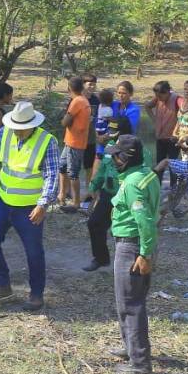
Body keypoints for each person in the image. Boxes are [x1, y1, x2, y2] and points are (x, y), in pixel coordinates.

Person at [0, 100, 60, 311]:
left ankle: (36, 294)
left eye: (21, 129)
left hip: (29, 208)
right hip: (2, 199)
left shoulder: (47, 142)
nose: (17, 131)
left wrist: (43, 205)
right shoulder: (5, 133)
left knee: (34, 252)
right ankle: (2, 284)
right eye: (15, 127)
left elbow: (52, 176)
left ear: (32, 125)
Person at [105, 134, 161, 374]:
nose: (113, 159)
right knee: (129, 300)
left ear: (126, 158)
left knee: (130, 304)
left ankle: (139, 363)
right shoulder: (146, 174)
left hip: (131, 246)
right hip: (137, 245)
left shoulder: (132, 185)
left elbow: (145, 221)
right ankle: (131, 347)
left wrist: (144, 254)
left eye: (116, 155)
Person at [82, 113, 129, 272]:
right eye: (109, 129)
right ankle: (101, 259)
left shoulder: (133, 147)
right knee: (94, 223)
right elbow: (102, 169)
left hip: (125, 197)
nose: (109, 132)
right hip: (108, 194)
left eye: (113, 130)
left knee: (125, 231)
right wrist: (93, 188)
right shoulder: (109, 146)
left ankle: (134, 262)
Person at [57, 76, 91, 213]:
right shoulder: (84, 100)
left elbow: (65, 121)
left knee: (73, 172)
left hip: (75, 142)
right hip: (71, 141)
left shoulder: (77, 101)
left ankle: (76, 202)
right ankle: (62, 194)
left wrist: (64, 122)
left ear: (69, 88)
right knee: (62, 166)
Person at [145, 80, 183, 169]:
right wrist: (154, 120)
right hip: (160, 138)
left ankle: (174, 183)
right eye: (156, 96)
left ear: (167, 92)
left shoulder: (177, 99)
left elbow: (185, 110)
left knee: (173, 166)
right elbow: (147, 106)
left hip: (173, 139)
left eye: (160, 96)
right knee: (159, 165)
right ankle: (158, 183)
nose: (158, 98)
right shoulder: (157, 98)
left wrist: (177, 130)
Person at [80, 74, 99, 207]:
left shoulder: (96, 100)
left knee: (89, 167)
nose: (92, 86)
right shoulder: (77, 99)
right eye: (89, 84)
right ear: (83, 84)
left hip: (91, 139)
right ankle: (69, 193)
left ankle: (89, 192)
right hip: (76, 139)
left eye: (93, 84)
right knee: (71, 168)